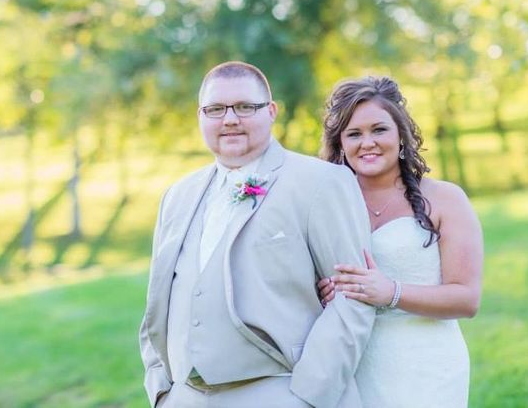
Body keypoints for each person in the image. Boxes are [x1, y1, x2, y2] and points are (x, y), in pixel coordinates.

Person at [139, 61, 376, 408]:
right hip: (183, 397)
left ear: (271, 111)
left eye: (245, 107)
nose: (230, 119)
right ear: (200, 116)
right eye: (216, 109)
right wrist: (161, 389)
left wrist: (309, 395)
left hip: (282, 391)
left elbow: (354, 296)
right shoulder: (177, 195)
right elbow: (157, 298)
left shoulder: (321, 183)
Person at [317, 76, 483, 408]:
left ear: (400, 135)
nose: (367, 143)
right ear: (340, 145)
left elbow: (467, 299)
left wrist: (391, 292)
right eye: (354, 134)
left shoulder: (446, 199)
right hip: (352, 364)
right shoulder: (324, 205)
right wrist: (322, 294)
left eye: (379, 129)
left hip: (427, 365)